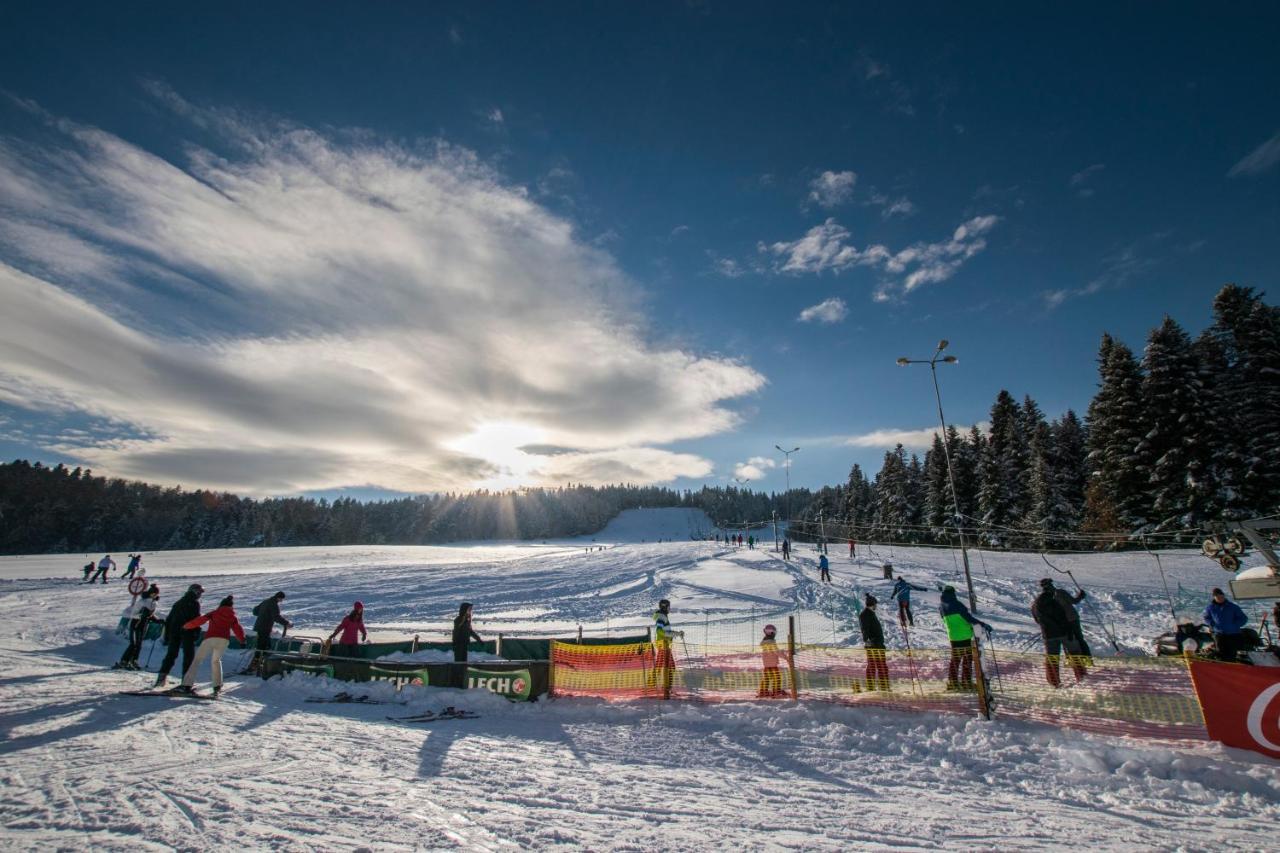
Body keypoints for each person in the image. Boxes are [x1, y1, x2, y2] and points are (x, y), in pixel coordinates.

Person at [177, 595, 245, 696]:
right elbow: (237, 628)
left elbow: (200, 620)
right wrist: (242, 640)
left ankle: (187, 685)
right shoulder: (232, 617)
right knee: (216, 661)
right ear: (231, 607)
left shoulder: (215, 613)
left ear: (221, 605)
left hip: (210, 638)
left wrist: (186, 626)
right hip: (224, 640)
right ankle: (217, 686)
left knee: (197, 660)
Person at [1032, 579, 1087, 687]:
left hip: (1048, 635)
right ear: (1050, 590)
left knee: (1052, 658)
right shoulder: (1054, 603)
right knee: (1074, 652)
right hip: (1063, 633)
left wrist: (1046, 627)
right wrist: (1069, 631)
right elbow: (1063, 619)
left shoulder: (1035, 605)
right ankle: (1082, 677)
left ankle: (1054, 682)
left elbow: (1037, 620)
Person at [940, 585, 991, 691]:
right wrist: (983, 624)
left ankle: (953, 683)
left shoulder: (941, 606)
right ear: (953, 593)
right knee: (967, 659)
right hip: (965, 636)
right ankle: (966, 683)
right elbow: (969, 618)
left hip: (953, 637)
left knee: (955, 660)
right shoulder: (958, 605)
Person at [155, 583, 203, 688]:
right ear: (195, 592)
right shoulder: (194, 603)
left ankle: (161, 678)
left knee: (171, 655)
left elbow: (169, 619)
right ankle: (186, 683)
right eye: (199, 592)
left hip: (174, 632)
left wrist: (167, 635)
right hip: (187, 633)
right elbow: (195, 620)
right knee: (189, 657)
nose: (200, 595)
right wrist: (196, 632)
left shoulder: (178, 603)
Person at [116, 584, 160, 670]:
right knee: (134, 644)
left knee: (139, 644)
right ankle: (124, 661)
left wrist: (156, 619)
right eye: (153, 593)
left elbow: (150, 614)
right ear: (150, 593)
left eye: (156, 594)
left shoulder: (154, 603)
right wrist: (141, 615)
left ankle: (134, 661)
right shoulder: (142, 602)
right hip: (136, 624)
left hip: (143, 625)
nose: (155, 595)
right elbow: (133, 614)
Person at [247, 591, 291, 675]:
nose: (281, 601)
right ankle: (256, 666)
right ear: (279, 597)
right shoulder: (274, 604)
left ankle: (258, 665)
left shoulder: (266, 601)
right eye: (281, 599)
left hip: (259, 627)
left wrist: (264, 614)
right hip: (265, 628)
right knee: (263, 647)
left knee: (263, 646)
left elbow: (255, 611)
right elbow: (276, 617)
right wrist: (286, 623)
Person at [1202, 587, 1249, 662]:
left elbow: (1243, 618)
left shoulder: (1233, 607)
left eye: (1221, 596)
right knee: (1220, 653)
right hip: (1219, 634)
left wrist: (1235, 625)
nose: (1220, 598)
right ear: (1214, 597)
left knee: (1232, 653)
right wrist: (1212, 624)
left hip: (1233, 634)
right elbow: (1206, 618)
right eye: (1218, 597)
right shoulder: (1210, 608)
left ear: (1224, 596)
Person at [1050, 581, 1091, 661]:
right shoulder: (1060, 592)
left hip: (1063, 622)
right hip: (1072, 619)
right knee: (1079, 638)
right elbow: (1074, 601)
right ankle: (1087, 659)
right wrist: (1080, 596)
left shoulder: (1048, 598)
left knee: (1067, 641)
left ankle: (1072, 661)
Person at [651, 598, 682, 697]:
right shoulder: (661, 617)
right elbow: (659, 631)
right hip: (663, 646)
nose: (670, 609)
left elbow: (664, 631)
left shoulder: (663, 616)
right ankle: (663, 689)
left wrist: (675, 634)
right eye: (668, 607)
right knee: (670, 667)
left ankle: (664, 688)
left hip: (664, 645)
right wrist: (672, 634)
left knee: (664, 666)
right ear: (664, 607)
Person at [860, 594, 890, 691]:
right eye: (875, 604)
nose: (876, 606)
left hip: (878, 644)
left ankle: (883, 686)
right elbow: (865, 629)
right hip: (874, 645)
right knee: (876, 666)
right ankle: (875, 687)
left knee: (879, 666)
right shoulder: (865, 614)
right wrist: (867, 640)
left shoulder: (870, 613)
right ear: (872, 604)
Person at [757, 624, 784, 698]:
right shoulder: (771, 642)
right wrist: (786, 657)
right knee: (777, 678)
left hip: (766, 665)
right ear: (772, 633)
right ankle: (776, 691)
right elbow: (776, 652)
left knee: (766, 678)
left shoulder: (764, 642)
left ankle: (763, 691)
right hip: (773, 665)